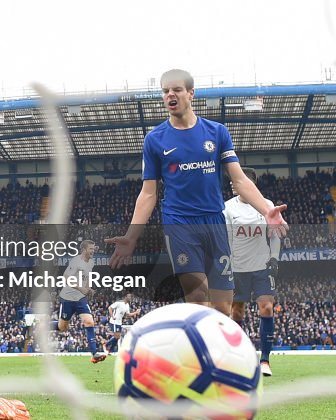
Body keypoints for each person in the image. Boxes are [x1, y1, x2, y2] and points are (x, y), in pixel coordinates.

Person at [107, 69, 288, 315]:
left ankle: (216, 349)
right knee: (197, 297)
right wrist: (131, 236)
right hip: (179, 224)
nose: (170, 94)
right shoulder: (155, 139)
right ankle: (202, 351)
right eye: (165, 91)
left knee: (223, 306)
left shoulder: (217, 132)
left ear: (191, 93)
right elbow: (148, 193)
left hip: (215, 222)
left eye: (177, 89)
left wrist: (267, 210)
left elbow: (240, 180)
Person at [224, 167, 281, 376]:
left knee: (266, 308)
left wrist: (274, 258)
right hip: (238, 268)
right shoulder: (228, 208)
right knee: (237, 312)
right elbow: (226, 239)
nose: (234, 184)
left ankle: (265, 360)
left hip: (262, 267)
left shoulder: (267, 205)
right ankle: (238, 359)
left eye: (238, 181)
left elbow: (275, 235)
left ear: (250, 184)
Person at [56, 240, 106, 363]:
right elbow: (66, 277)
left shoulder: (91, 262)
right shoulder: (76, 261)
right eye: (91, 249)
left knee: (89, 322)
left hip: (80, 299)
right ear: (84, 250)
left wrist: (88, 289)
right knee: (63, 328)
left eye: (93, 249)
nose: (93, 251)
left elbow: (88, 276)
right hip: (68, 298)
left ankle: (94, 354)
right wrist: (81, 288)